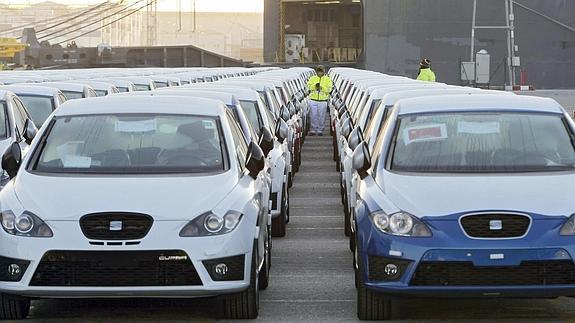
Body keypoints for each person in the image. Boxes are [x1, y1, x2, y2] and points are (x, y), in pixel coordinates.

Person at [307, 65, 333, 136]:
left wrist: (322, 87)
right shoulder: (312, 78)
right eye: (318, 71)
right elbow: (308, 87)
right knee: (313, 115)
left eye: (321, 71)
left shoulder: (327, 79)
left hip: (323, 101)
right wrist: (315, 86)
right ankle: (313, 130)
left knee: (321, 116)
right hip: (313, 100)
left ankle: (320, 130)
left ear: (323, 72)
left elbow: (329, 89)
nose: (320, 73)